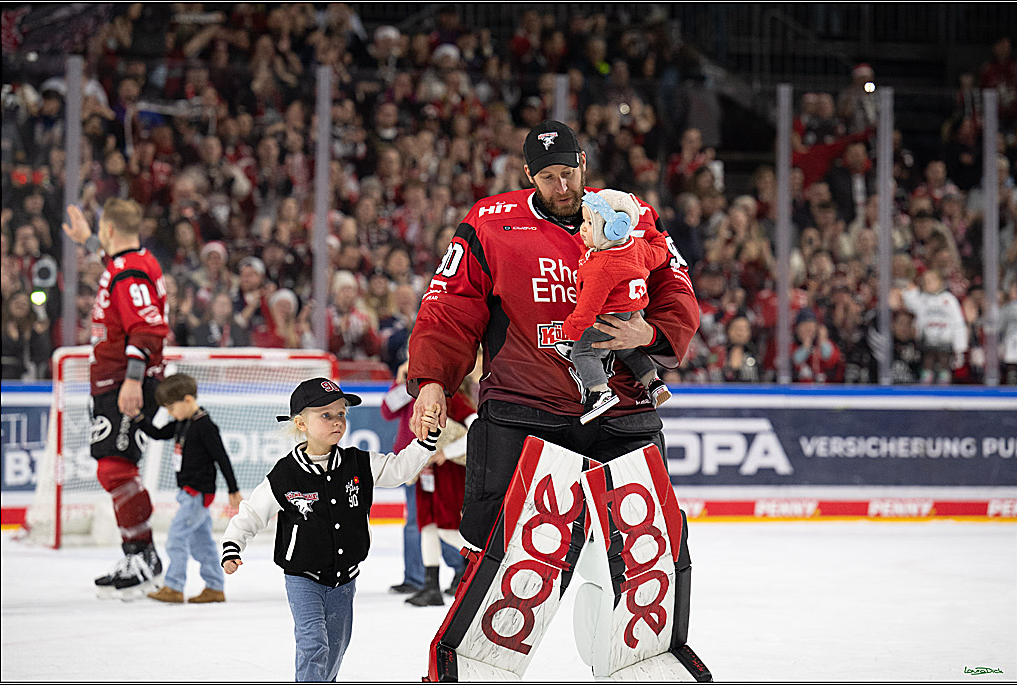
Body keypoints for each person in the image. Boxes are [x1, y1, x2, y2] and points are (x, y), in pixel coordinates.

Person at [406, 120, 702, 679]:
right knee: (505, 560)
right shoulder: (490, 223)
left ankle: (646, 662)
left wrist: (653, 335)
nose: (561, 187)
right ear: (528, 176)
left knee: (647, 550)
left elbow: (677, 284)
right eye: (547, 177)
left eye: (568, 173)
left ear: (584, 164)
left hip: (623, 410)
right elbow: (448, 307)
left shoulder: (628, 213)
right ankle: (474, 667)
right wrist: (431, 382)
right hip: (524, 409)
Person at [220, 378, 442, 682]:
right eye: (326, 415)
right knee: (314, 645)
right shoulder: (286, 474)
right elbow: (252, 512)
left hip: (345, 578)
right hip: (303, 578)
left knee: (335, 650)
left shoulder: (359, 463)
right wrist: (233, 544)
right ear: (301, 422)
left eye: (341, 414)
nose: (337, 421)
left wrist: (425, 442)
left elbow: (399, 469)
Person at [61, 199, 169, 597]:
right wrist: (87, 239)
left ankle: (143, 557)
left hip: (125, 380)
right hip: (114, 380)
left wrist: (133, 381)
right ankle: (138, 553)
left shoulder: (130, 272)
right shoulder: (130, 263)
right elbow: (114, 262)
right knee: (115, 467)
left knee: (115, 468)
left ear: (109, 230)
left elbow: (148, 328)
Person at [562, 188, 672, 423]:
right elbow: (659, 254)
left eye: (590, 223)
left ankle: (599, 392)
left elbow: (588, 307)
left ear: (612, 229)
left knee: (583, 352)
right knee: (628, 349)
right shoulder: (637, 247)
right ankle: (653, 383)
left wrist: (572, 327)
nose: (582, 227)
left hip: (607, 317)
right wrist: (655, 235)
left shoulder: (601, 269)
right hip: (633, 312)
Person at [133, 373, 243, 603]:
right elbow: (157, 432)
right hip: (188, 494)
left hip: (197, 493)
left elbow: (221, 457)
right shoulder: (183, 422)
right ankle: (215, 587)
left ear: (187, 400)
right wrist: (138, 418)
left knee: (176, 537)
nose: (170, 414)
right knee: (200, 542)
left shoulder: (205, 425)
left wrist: (233, 489)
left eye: (172, 408)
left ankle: (174, 586)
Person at [379, 359, 464, 598]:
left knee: (438, 521)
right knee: (419, 521)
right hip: (410, 463)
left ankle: (458, 569)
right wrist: (401, 381)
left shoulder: (439, 388)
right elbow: (387, 411)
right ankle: (418, 576)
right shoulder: (410, 387)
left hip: (434, 462)